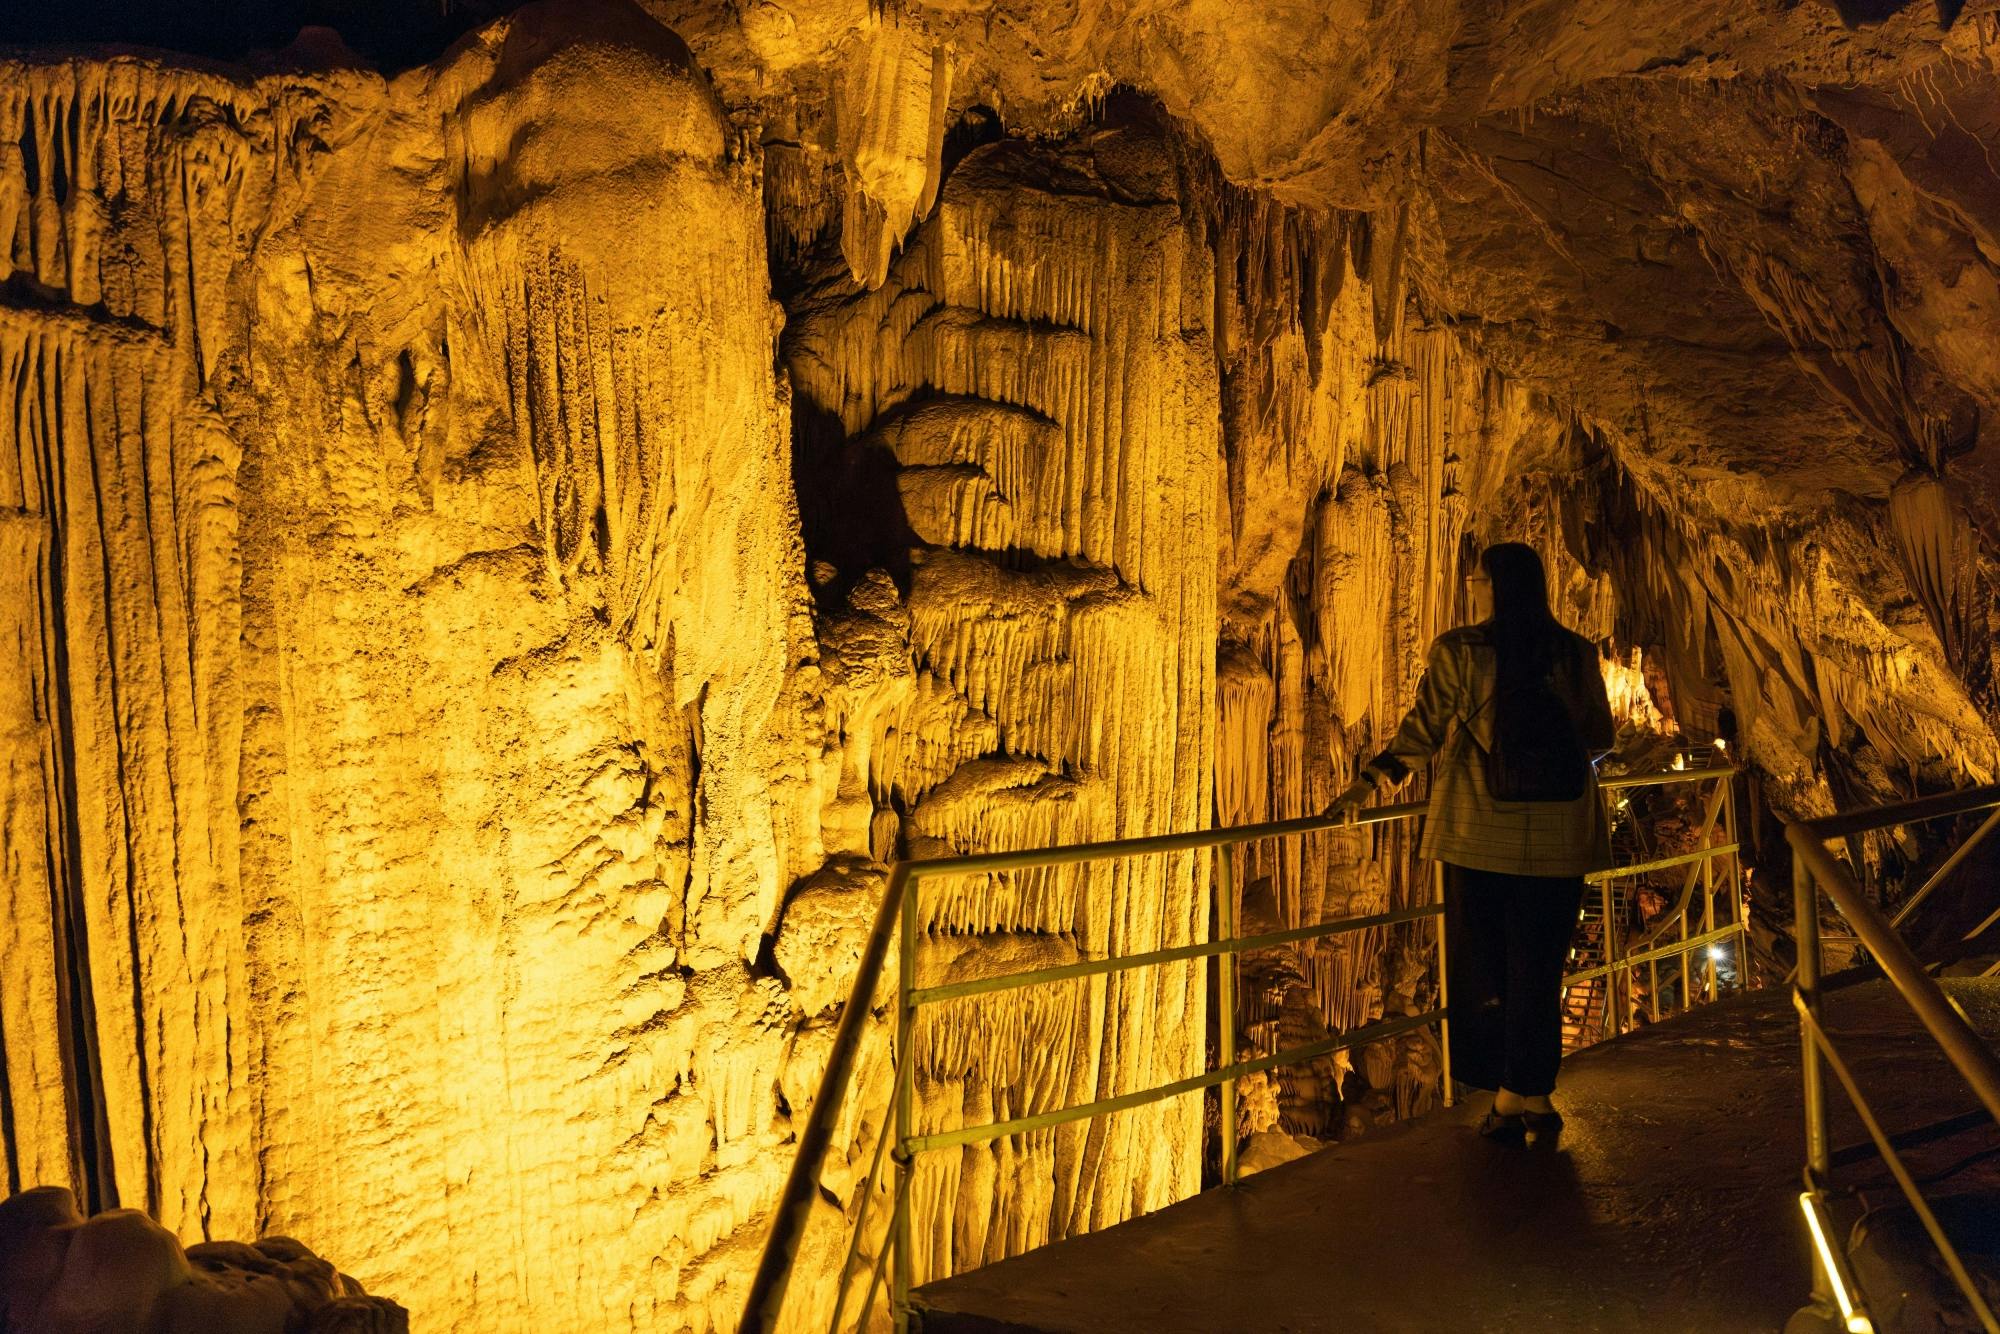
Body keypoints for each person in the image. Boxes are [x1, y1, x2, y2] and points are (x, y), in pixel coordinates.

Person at [1330, 542, 1616, 1141]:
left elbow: (1422, 732)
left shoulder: (1462, 652)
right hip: (1563, 837)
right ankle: (1529, 1097)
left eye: (1477, 578)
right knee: (1541, 968)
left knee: (1490, 972)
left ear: (1497, 587)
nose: (1471, 586)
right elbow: (1599, 736)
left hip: (1480, 835)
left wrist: (1367, 785)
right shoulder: (1575, 652)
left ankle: (1512, 1099)